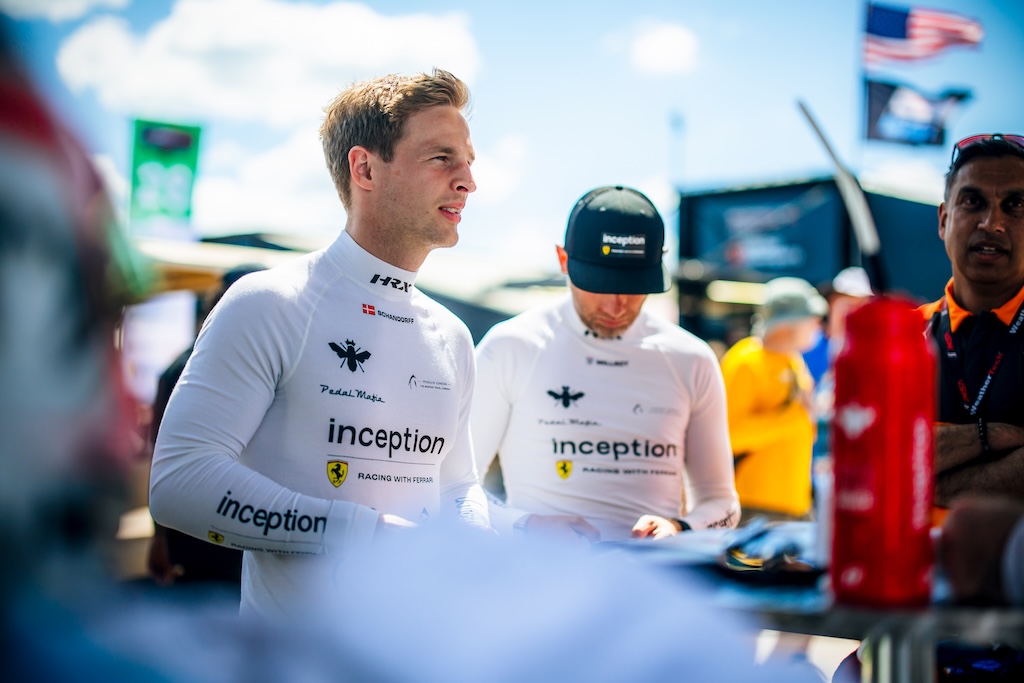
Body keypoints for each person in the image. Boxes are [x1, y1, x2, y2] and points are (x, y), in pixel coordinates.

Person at [149, 69, 490, 619]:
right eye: (441, 157)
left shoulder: (451, 334)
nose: (468, 181)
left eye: (468, 161)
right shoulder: (269, 302)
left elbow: (457, 484)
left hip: (426, 648)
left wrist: (474, 541)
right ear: (365, 169)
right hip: (292, 654)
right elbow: (179, 482)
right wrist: (363, 533)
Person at [471, 185, 739, 542]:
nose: (617, 306)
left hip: (656, 573)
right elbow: (453, 489)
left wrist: (680, 527)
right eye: (600, 285)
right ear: (563, 261)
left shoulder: (692, 358)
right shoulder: (511, 346)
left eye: (634, 286)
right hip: (539, 571)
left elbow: (722, 503)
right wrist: (526, 524)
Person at [918, 133, 1024, 509]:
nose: (992, 223)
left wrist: (929, 478)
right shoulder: (903, 337)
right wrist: (992, 437)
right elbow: (872, 457)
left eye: (1015, 205)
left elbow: (900, 462)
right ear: (944, 219)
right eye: (973, 202)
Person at [146, 264, 265, 589]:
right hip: (205, 532)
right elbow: (163, 458)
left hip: (228, 529)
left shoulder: (252, 367)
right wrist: (160, 537)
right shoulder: (187, 369)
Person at [719, 277, 827, 524]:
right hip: (755, 506)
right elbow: (730, 435)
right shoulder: (746, 361)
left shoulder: (793, 360)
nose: (818, 325)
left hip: (797, 504)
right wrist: (795, 418)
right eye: (812, 318)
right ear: (786, 325)